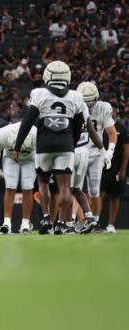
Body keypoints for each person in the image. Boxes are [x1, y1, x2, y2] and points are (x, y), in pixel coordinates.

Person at [13, 61, 102, 235]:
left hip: (44, 144)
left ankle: (46, 218)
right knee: (65, 187)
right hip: (65, 145)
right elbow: (78, 125)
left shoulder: (39, 93)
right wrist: (72, 143)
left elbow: (27, 121)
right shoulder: (75, 96)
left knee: (43, 182)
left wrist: (17, 145)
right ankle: (64, 223)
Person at [77, 82, 117, 229]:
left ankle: (94, 222)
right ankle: (81, 223)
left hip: (96, 154)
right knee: (76, 188)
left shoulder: (103, 107)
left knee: (95, 190)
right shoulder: (74, 105)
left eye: (90, 102)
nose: (88, 106)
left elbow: (112, 133)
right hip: (79, 152)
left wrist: (110, 152)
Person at [0, 120, 37, 233]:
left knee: (28, 187)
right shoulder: (2, 134)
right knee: (10, 186)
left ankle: (25, 223)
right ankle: (6, 222)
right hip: (10, 157)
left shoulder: (35, 134)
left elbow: (40, 153)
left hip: (30, 157)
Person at [100, 117, 129, 233]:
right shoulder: (100, 126)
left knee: (114, 196)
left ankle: (111, 225)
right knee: (98, 195)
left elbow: (126, 151)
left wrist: (123, 169)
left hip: (116, 168)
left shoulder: (122, 129)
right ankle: (94, 222)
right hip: (101, 167)